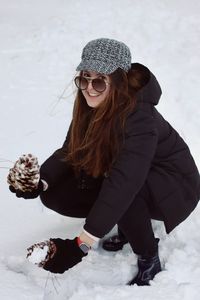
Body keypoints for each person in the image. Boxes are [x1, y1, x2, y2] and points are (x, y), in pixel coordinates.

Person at [9, 38, 200, 286]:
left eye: (99, 81)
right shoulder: (94, 104)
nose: (89, 88)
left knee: (124, 188)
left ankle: (149, 257)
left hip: (175, 185)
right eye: (84, 78)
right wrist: (40, 182)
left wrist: (81, 245)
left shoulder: (140, 119)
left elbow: (125, 183)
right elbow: (72, 150)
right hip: (135, 174)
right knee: (58, 192)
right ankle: (128, 227)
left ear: (119, 83)